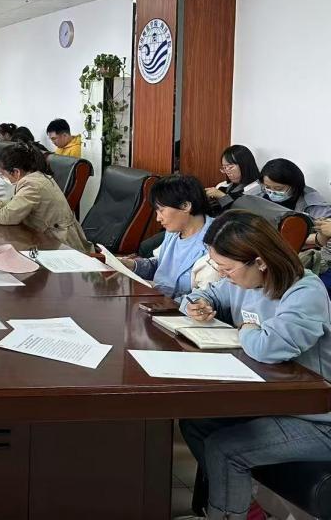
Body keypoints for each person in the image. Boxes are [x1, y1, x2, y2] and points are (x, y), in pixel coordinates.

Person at [179, 210, 331, 520]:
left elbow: (269, 347)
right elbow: (199, 295)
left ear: (259, 262)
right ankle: (244, 510)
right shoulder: (242, 281)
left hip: (318, 419)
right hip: (276, 402)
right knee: (196, 422)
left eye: (227, 268)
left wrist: (246, 329)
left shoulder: (304, 292)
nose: (223, 276)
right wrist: (198, 304)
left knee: (225, 449)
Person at [0, 143, 91, 252]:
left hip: (61, 246)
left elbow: (8, 216)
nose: (2, 177)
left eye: (3, 174)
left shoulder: (32, 184)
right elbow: (16, 203)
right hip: (45, 239)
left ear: (16, 172)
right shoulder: (35, 177)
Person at [122, 175, 214, 299]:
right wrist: (132, 265)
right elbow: (160, 265)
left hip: (178, 308)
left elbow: (205, 299)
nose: (158, 218)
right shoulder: (173, 232)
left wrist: (157, 290)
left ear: (185, 206)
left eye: (161, 210)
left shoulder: (216, 240)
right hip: (157, 301)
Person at [257, 158, 331, 222]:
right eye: (268, 187)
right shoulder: (259, 191)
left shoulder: (312, 202)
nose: (272, 192)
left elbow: (326, 228)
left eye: (278, 188)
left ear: (294, 184)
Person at [205, 145, 261, 211]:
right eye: (224, 168)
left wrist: (222, 197)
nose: (227, 172)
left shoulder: (257, 188)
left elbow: (246, 210)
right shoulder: (223, 186)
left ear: (244, 165)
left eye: (230, 167)